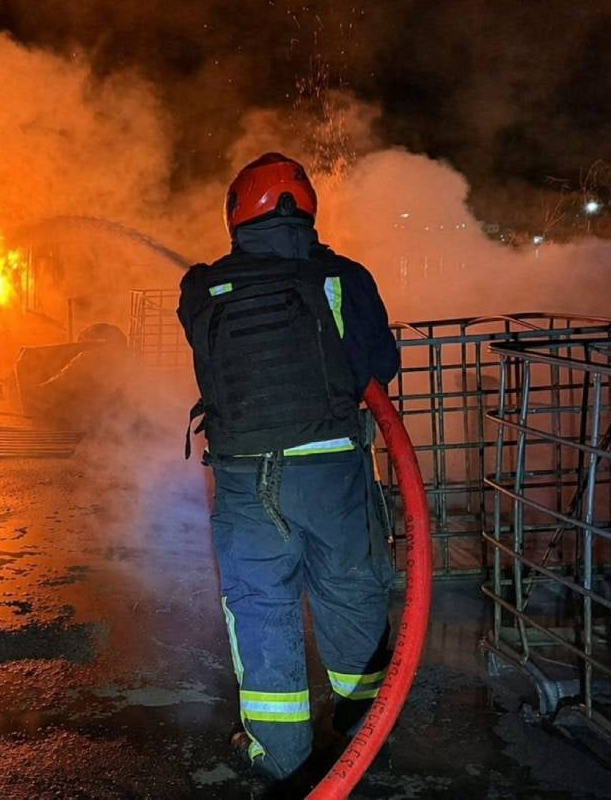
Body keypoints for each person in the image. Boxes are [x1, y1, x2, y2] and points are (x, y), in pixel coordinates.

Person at [176, 152, 400, 788]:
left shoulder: (203, 287)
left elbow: (203, 341)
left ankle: (280, 758)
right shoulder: (344, 278)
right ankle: (365, 724)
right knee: (351, 586)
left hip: (247, 477)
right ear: (308, 209)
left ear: (236, 214)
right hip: (331, 471)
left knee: (260, 605)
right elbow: (377, 368)